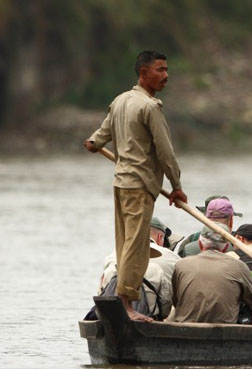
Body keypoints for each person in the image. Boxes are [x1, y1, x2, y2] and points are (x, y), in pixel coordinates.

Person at [84, 50, 187, 322]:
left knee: (124, 243)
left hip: (121, 183)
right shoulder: (150, 107)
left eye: (166, 70)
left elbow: (102, 134)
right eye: (160, 70)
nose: (166, 75)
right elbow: (165, 152)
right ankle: (126, 304)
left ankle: (124, 299)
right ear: (144, 73)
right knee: (136, 246)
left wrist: (94, 143)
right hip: (139, 185)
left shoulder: (120, 101)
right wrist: (176, 186)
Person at [171, 224, 252, 324]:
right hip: (225, 333)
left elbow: (175, 302)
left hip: (185, 330)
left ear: (200, 244)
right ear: (226, 248)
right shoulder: (239, 267)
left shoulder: (181, 265)